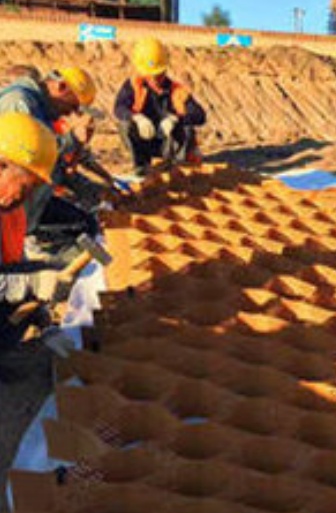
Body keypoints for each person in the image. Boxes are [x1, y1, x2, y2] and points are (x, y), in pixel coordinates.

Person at [0, 66, 102, 256]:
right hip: (19, 209)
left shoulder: (39, 109)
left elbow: (50, 164)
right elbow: (28, 158)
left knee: (86, 226)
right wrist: (73, 139)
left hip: (30, 204)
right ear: (62, 87)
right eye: (72, 106)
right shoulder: (19, 103)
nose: (70, 114)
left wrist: (87, 186)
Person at [0, 112, 60, 349]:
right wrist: (34, 282)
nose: (28, 197)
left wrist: (40, 269)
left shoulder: (10, 210)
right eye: (25, 187)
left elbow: (10, 265)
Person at [114, 37, 206, 180]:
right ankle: (141, 167)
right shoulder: (133, 86)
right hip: (145, 142)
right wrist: (137, 118)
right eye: (150, 75)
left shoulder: (176, 90)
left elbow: (200, 115)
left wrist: (175, 119)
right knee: (125, 125)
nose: (155, 79)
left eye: (158, 75)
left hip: (168, 144)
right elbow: (119, 107)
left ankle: (178, 167)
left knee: (187, 128)